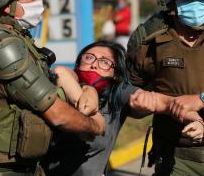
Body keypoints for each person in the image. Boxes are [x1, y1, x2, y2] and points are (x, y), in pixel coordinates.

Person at [0, 0, 105, 176]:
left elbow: (48, 78)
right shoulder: (1, 47)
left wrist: (84, 88)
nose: (38, 1)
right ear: (7, 5)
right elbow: (57, 114)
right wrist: (94, 126)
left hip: (14, 165)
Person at [127, 0, 204, 176]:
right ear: (170, 3)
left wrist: (200, 99)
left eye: (203, 0)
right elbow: (132, 93)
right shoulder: (148, 40)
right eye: (189, 0)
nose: (197, 7)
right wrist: (143, 104)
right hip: (176, 156)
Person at [42, 40, 140, 176]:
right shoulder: (59, 87)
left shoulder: (117, 94)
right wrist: (88, 93)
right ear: (78, 64)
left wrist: (169, 102)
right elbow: (60, 72)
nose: (94, 65)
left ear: (116, 74)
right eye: (89, 58)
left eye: (105, 62)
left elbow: (149, 99)